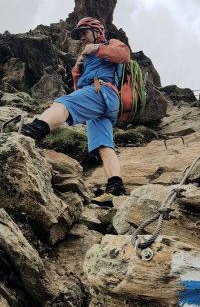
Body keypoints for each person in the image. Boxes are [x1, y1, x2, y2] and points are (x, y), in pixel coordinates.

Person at [20, 17, 130, 206]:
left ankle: (31, 132)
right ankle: (115, 190)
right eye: (79, 35)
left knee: (63, 104)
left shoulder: (110, 43)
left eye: (84, 33)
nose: (82, 38)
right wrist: (78, 69)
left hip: (102, 92)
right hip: (101, 101)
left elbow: (124, 55)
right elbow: (80, 87)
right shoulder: (86, 57)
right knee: (104, 145)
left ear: (97, 32)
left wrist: (96, 49)